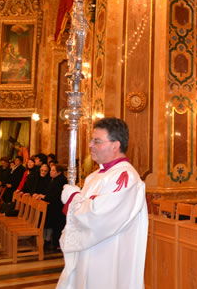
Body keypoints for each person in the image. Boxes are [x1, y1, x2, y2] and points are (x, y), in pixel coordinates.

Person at [57, 117, 148, 289]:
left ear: (115, 145)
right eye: (91, 140)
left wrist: (73, 198)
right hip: (88, 254)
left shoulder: (126, 177)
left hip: (107, 258)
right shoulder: (95, 176)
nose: (90, 145)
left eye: (97, 141)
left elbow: (98, 217)